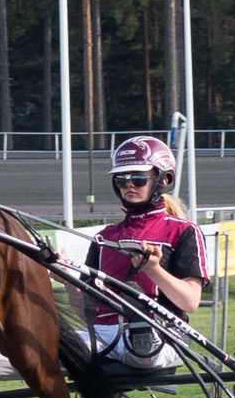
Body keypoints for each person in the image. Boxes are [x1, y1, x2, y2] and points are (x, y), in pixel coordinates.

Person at [84, 135, 204, 364]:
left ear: (164, 179)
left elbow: (190, 302)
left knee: (140, 343)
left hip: (162, 334)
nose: (129, 185)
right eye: (121, 179)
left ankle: (139, 323)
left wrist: (153, 269)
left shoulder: (183, 231)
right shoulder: (103, 237)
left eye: (138, 178)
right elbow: (87, 310)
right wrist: (66, 279)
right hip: (102, 336)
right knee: (24, 353)